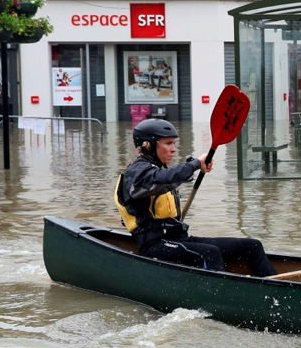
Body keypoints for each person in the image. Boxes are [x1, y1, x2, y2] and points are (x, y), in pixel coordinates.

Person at [114, 119, 277, 277]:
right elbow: (162, 179)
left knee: (252, 246)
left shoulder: (156, 170)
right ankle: (221, 299)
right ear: (148, 145)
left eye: (174, 143)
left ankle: (276, 291)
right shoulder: (135, 173)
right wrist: (195, 165)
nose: (173, 149)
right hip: (155, 245)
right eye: (168, 143)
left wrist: (195, 166)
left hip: (179, 239)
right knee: (209, 253)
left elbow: (171, 179)